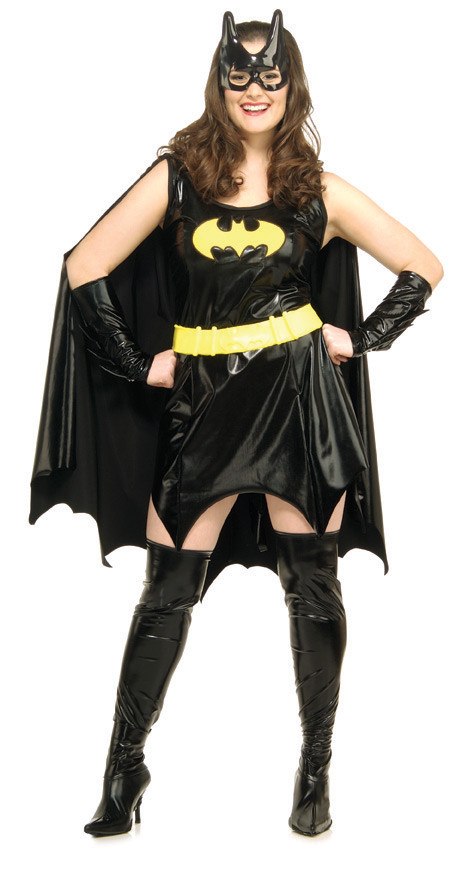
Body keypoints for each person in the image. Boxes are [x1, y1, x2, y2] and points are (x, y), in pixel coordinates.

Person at [29, 8, 443, 838]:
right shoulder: (178, 178)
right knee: (167, 591)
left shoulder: (316, 190)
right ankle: (124, 767)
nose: (255, 90)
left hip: (300, 400)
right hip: (203, 406)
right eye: (239, 75)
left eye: (270, 76)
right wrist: (136, 362)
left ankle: (316, 771)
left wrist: (359, 338)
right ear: (219, 84)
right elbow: (84, 264)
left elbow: (423, 264)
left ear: (292, 86)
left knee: (313, 587)